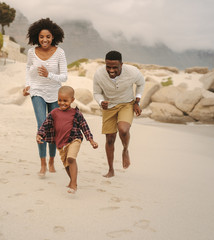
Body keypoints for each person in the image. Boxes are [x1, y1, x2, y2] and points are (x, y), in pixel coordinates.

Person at [23, 18, 68, 177]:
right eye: (42, 37)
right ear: (37, 36)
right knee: (42, 126)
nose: (44, 40)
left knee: (54, 128)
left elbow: (64, 77)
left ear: (53, 36)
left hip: (55, 93)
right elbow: (29, 68)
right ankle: (42, 163)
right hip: (37, 91)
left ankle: (51, 161)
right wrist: (27, 84)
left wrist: (49, 75)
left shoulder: (60, 52)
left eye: (48, 37)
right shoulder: (31, 52)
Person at [36, 86, 98, 193]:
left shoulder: (76, 113)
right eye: (60, 100)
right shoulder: (54, 113)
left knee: (71, 159)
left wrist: (91, 140)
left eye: (65, 100)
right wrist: (39, 134)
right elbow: (45, 125)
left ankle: (73, 184)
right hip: (61, 144)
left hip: (74, 139)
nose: (62, 103)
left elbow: (84, 126)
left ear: (72, 100)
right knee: (66, 164)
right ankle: (72, 181)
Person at [93, 50, 145, 178]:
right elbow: (96, 93)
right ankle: (111, 169)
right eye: (108, 67)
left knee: (123, 129)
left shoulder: (132, 72)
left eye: (115, 67)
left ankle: (125, 149)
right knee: (110, 139)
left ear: (122, 64)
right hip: (109, 106)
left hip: (126, 103)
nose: (111, 70)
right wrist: (101, 102)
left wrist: (137, 101)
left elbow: (141, 83)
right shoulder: (99, 74)